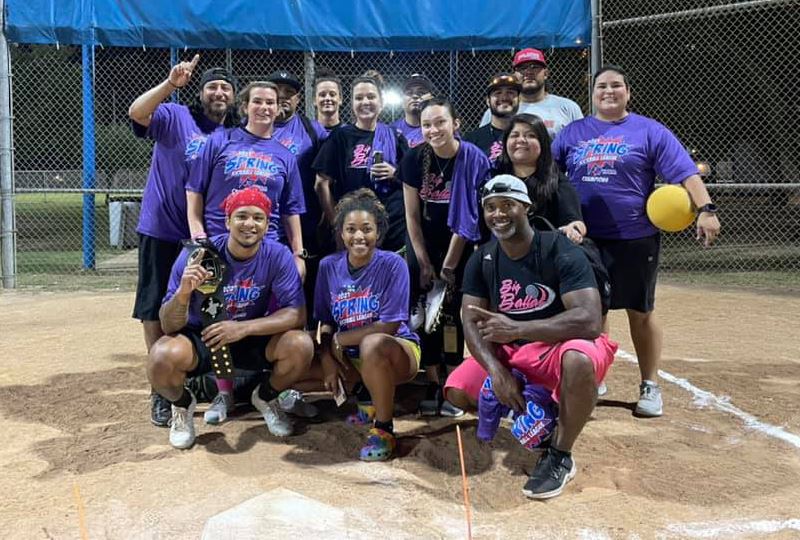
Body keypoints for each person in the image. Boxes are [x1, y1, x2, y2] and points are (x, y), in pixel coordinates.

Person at [553, 65, 721, 417]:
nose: (608, 91)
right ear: (593, 94)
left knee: (640, 313)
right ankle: (595, 376)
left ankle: (650, 384)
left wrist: (706, 209)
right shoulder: (573, 132)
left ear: (628, 92)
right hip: (584, 239)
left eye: (616, 85)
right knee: (592, 311)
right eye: (601, 86)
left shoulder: (649, 130)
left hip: (635, 237)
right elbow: (547, 174)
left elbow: (685, 171)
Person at [444, 175, 618, 499]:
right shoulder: (483, 258)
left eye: (507, 205)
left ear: (526, 207)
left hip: (558, 347)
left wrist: (518, 328)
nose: (498, 214)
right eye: (491, 207)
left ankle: (560, 455)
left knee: (579, 359)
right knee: (457, 390)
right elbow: (470, 320)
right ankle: (537, 414)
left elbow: (590, 320)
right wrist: (498, 372)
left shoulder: (559, 248)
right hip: (516, 354)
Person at [147, 188, 315, 449]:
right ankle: (182, 405)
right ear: (227, 221)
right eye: (242, 216)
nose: (250, 224)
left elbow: (296, 313)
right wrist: (183, 293)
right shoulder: (197, 255)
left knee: (300, 345)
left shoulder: (277, 255)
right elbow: (168, 325)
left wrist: (242, 328)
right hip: (204, 335)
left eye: (258, 218)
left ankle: (266, 396)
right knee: (160, 357)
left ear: (267, 225)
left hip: (249, 333)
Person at [128, 54, 237, 427]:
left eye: (225, 87)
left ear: (233, 96)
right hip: (162, 227)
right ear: (201, 92)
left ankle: (211, 379)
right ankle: (161, 390)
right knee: (153, 305)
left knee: (209, 304)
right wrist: (170, 84)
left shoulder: (231, 135)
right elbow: (137, 112)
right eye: (212, 86)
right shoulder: (176, 116)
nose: (218, 92)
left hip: (206, 234)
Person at [312, 189, 421, 461]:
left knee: (372, 344)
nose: (359, 236)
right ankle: (364, 397)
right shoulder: (327, 266)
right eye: (351, 229)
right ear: (341, 233)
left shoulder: (393, 264)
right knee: (297, 363)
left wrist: (339, 341)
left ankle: (384, 428)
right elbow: (324, 320)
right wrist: (326, 357)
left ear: (378, 232)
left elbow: (389, 327)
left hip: (396, 352)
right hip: (347, 356)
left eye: (367, 229)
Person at [400, 97, 491, 416]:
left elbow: (468, 220)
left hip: (459, 245)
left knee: (451, 312)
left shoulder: (473, 158)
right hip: (423, 243)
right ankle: (432, 380)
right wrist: (424, 262)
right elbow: (411, 215)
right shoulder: (414, 158)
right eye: (427, 124)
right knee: (425, 312)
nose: (433, 129)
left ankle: (453, 381)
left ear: (456, 124)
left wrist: (449, 267)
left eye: (440, 122)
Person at [186, 81, 306, 280]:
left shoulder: (286, 156)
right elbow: (194, 191)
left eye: (270, 103)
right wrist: (198, 238)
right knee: (211, 300)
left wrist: (298, 254)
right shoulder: (219, 141)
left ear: (277, 109)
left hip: (267, 247)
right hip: (218, 245)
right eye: (257, 101)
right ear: (245, 107)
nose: (264, 107)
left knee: (268, 300)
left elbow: (291, 210)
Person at [313, 71, 409, 252]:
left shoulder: (394, 136)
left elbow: (414, 181)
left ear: (381, 102)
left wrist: (395, 173)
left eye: (371, 97)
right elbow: (321, 183)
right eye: (359, 98)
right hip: (354, 227)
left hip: (393, 225)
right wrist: (337, 225)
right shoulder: (340, 137)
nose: (365, 102)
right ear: (352, 103)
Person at [494, 113, 585, 243]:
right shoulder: (495, 178)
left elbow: (575, 221)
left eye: (530, 135)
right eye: (514, 135)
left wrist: (573, 230)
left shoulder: (557, 181)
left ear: (543, 143)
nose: (521, 140)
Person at [479, 48, 583, 138]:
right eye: (522, 68)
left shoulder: (568, 107)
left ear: (546, 73)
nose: (528, 72)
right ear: (515, 75)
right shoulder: (498, 109)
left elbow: (582, 143)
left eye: (535, 67)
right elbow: (484, 143)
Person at [464, 73, 520, 168]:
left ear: (519, 99)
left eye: (510, 92)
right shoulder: (471, 141)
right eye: (497, 93)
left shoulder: (528, 137)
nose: (504, 98)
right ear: (488, 101)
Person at [391, 74, 435, 148]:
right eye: (409, 93)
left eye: (421, 93)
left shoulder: (438, 129)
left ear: (431, 98)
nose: (415, 96)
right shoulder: (392, 131)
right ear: (402, 100)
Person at [312, 68, 345, 138]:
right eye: (322, 95)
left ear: (340, 99)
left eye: (332, 94)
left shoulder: (349, 134)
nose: (327, 98)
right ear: (314, 100)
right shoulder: (307, 133)